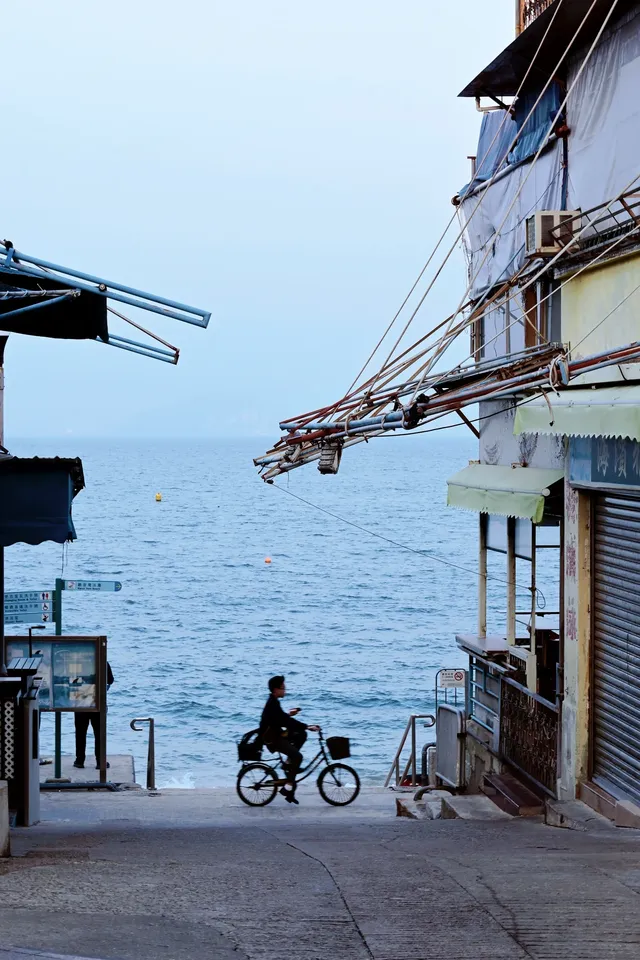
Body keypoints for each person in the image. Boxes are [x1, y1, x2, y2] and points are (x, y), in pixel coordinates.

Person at [260, 675, 319, 804]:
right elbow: (284, 721)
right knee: (298, 757)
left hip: (276, 734)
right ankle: (288, 786)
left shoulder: (274, 702)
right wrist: (307, 726)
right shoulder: (272, 704)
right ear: (276, 690)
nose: (285, 690)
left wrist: (290, 715)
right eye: (283, 688)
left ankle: (288, 763)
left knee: (301, 734)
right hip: (273, 739)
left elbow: (281, 718)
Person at [74, 661, 114, 770]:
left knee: (80, 733)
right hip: (98, 702)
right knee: (99, 733)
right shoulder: (103, 662)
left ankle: (80, 760)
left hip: (81, 703)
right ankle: (100, 761)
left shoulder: (78, 663)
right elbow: (110, 680)